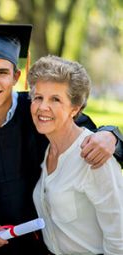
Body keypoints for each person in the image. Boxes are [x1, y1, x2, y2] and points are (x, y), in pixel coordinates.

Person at [0, 24, 123, 254]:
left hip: (40, 245)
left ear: (16, 76)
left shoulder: (36, 111)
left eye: (2, 72)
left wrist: (112, 135)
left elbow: (85, 132)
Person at [28, 55, 123, 255]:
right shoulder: (48, 149)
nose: (42, 107)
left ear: (75, 108)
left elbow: (119, 238)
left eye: (55, 99)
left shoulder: (93, 156)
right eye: (38, 97)